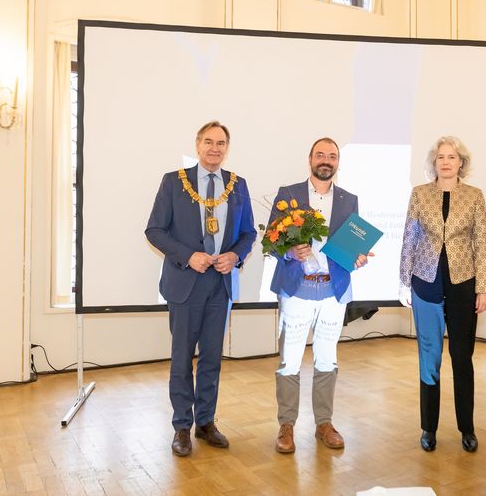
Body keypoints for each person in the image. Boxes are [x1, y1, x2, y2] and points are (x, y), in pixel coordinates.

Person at [145, 121, 256, 456]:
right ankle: (181, 426)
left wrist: (235, 255)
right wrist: (188, 256)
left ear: (227, 148)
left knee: (211, 358)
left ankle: (205, 422)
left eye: (221, 143)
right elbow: (154, 230)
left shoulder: (238, 186)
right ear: (197, 146)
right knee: (182, 359)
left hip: (219, 285)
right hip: (185, 282)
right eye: (208, 142)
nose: (214, 149)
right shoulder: (174, 182)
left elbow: (249, 233)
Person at [267, 137, 371, 454]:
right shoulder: (289, 195)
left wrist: (358, 256)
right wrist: (289, 251)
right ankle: (286, 426)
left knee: (327, 358)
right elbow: (271, 241)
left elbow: (350, 247)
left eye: (332, 156)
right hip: (296, 290)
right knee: (290, 361)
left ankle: (324, 423)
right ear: (310, 159)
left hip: (332, 292)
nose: (326, 160)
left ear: (338, 163)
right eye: (320, 154)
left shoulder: (349, 200)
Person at [398, 136, 486, 453]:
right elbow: (409, 238)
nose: (446, 162)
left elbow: (482, 244)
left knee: (462, 360)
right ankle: (429, 428)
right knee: (429, 359)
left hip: (464, 285)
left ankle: (467, 428)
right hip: (425, 283)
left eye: (452, 157)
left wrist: (484, 288)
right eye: (441, 157)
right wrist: (403, 281)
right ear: (434, 162)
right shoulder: (420, 194)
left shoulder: (475, 196)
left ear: (461, 162)